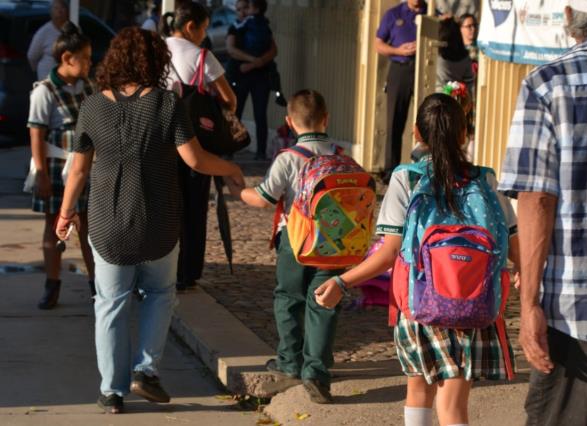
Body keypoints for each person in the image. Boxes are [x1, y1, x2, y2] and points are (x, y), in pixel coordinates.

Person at [55, 27, 244, 414]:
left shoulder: (91, 107)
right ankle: (146, 370)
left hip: (107, 224)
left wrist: (65, 213)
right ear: (156, 61)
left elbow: (77, 172)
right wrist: (228, 168)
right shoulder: (165, 104)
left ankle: (111, 391)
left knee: (110, 304)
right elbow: (194, 159)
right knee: (159, 294)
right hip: (158, 221)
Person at [314, 93, 520, 425]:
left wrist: (342, 280)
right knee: (453, 406)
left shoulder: (406, 178)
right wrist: (525, 272)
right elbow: (511, 240)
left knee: (419, 389)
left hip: (419, 302)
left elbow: (390, 252)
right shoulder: (485, 179)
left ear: (416, 132)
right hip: (474, 301)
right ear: (464, 134)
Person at [498, 2, 587, 424]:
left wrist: (528, 306)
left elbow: (536, 200)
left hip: (577, 311)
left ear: (567, 16)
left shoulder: (547, 83)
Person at [237, 89, 344, 404]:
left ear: (289, 122)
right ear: (326, 119)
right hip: (334, 243)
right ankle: (317, 374)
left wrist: (239, 189)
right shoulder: (341, 156)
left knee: (289, 299)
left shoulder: (288, 158)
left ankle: (289, 362)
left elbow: (264, 198)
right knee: (324, 304)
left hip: (296, 241)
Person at [160, 3, 237, 291]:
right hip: (196, 144)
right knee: (193, 210)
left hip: (161, 143)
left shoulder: (156, 51)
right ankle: (187, 271)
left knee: (165, 207)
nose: (205, 34)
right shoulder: (203, 57)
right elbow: (230, 100)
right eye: (204, 27)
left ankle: (161, 267)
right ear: (191, 26)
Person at [27, 22, 95, 310]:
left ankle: (97, 286)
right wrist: (41, 173)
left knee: (89, 229)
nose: (90, 63)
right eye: (86, 58)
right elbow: (36, 134)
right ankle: (52, 284)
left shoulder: (89, 87)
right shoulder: (44, 91)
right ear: (67, 58)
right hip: (57, 169)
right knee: (54, 226)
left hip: (87, 168)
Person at [375, 0, 427, 178]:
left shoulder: (430, 12)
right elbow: (378, 44)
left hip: (425, 69)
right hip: (400, 68)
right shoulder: (394, 14)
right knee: (395, 120)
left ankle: (424, 167)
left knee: (426, 119)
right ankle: (391, 170)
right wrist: (398, 51)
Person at [226, 0, 278, 160]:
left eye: (244, 8)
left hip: (258, 76)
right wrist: (255, 60)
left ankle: (260, 152)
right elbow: (231, 49)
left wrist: (254, 63)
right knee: (236, 113)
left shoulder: (258, 25)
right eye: (238, 9)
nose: (241, 12)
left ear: (250, 9)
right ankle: (230, 149)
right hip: (241, 76)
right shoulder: (235, 27)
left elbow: (274, 49)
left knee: (260, 114)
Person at [27, 0, 70, 80]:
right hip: (48, 78)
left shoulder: (73, 29)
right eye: (56, 8)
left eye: (62, 8)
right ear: (51, 12)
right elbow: (32, 56)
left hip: (68, 79)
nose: (59, 11)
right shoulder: (44, 32)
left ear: (67, 12)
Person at [435, 18, 474, 95]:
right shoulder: (465, 57)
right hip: (457, 98)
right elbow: (469, 83)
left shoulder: (436, 55)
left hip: (437, 95)